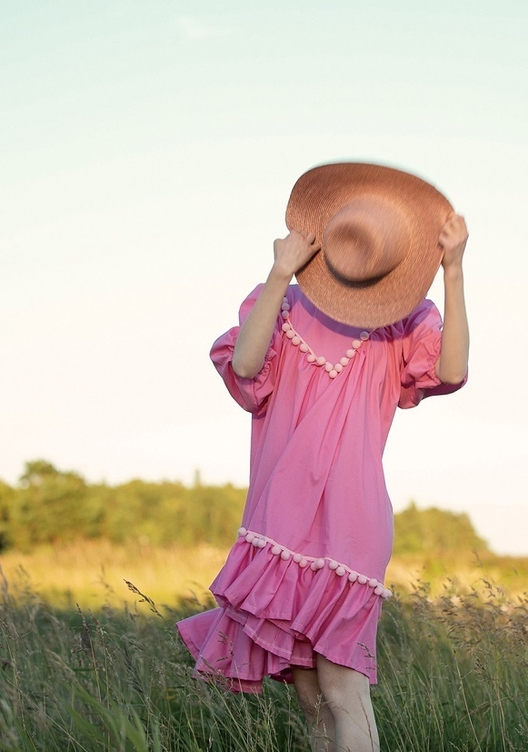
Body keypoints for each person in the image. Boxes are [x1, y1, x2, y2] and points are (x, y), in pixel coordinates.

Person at [177, 162, 469, 751]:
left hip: (349, 525)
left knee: (342, 689)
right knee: (309, 699)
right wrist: (281, 271)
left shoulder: (406, 323)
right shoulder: (277, 305)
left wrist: (455, 272)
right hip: (278, 521)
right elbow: (245, 370)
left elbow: (453, 371)